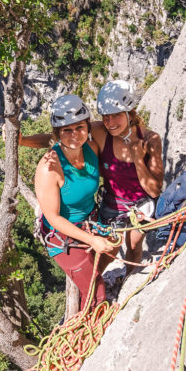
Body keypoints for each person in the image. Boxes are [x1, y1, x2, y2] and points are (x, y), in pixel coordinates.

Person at [22, 79, 164, 267]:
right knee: (109, 250)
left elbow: (154, 191)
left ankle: (129, 279)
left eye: (116, 116)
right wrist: (22, 140)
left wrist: (138, 159)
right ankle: (100, 283)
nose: (110, 123)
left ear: (129, 113)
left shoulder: (150, 139)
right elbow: (58, 138)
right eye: (106, 116)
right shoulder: (100, 131)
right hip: (112, 204)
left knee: (134, 245)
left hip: (141, 204)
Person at [33, 94, 117, 313]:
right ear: (57, 134)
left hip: (91, 220)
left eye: (79, 127)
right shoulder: (48, 167)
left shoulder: (91, 147)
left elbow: (118, 125)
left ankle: (84, 297)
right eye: (66, 130)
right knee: (96, 289)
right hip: (63, 236)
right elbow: (53, 218)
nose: (74, 135)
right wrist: (91, 240)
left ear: (88, 126)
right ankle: (91, 331)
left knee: (112, 248)